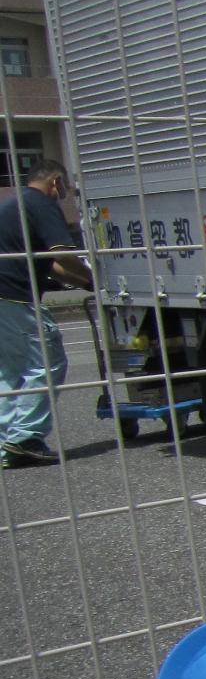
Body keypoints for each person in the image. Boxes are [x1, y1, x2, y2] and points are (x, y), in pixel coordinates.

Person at [0, 161, 88, 467]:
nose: (64, 193)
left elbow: (50, 264)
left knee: (12, 372)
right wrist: (93, 272)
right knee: (47, 363)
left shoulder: (13, 205)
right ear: (55, 182)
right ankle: (25, 438)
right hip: (18, 295)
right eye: (64, 186)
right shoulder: (40, 203)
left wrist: (87, 283)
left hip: (2, 299)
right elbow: (62, 251)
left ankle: (7, 441)